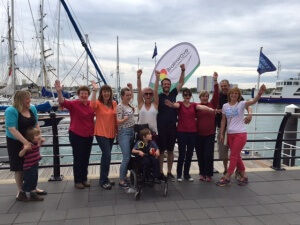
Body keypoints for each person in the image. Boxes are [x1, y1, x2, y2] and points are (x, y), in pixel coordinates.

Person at [217, 84, 267, 186]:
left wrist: (259, 94)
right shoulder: (225, 106)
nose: (234, 95)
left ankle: (227, 177)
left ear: (238, 96)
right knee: (237, 157)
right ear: (229, 95)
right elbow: (223, 121)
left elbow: (253, 101)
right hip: (230, 134)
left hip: (240, 134)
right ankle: (244, 176)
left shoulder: (241, 104)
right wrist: (221, 133)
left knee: (233, 156)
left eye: (236, 94)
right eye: (233, 93)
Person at [165, 88, 217, 182]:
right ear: (183, 96)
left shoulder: (194, 105)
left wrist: (210, 109)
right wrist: (172, 105)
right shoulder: (180, 104)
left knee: (189, 154)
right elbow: (175, 105)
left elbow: (202, 107)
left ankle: (186, 174)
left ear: (191, 96)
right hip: (181, 132)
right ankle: (179, 174)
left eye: (189, 95)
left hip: (193, 133)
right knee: (182, 154)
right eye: (185, 95)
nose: (187, 96)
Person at [5, 90, 47, 201]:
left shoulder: (32, 109)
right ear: (20, 100)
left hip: (30, 140)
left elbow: (36, 124)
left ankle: (33, 188)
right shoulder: (11, 111)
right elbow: (12, 129)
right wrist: (25, 143)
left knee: (32, 165)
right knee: (19, 167)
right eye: (27, 98)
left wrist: (39, 137)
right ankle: (20, 191)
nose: (29, 100)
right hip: (16, 141)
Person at [54, 80, 95, 189]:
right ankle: (78, 180)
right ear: (78, 94)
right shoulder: (74, 104)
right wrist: (59, 92)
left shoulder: (91, 105)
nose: (84, 95)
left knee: (86, 158)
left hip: (89, 135)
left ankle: (84, 178)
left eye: (86, 93)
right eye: (82, 93)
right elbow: (62, 102)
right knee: (78, 158)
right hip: (76, 135)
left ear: (88, 95)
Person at [215, 79, 253, 175]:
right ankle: (226, 169)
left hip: (236, 130)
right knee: (223, 151)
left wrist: (250, 114)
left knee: (235, 152)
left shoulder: (235, 95)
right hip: (222, 128)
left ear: (229, 86)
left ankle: (237, 171)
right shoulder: (218, 97)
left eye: (225, 85)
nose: (223, 87)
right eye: (222, 86)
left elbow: (247, 105)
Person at [157, 64, 185, 182]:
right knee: (161, 151)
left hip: (172, 127)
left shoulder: (173, 93)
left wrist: (183, 70)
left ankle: (169, 172)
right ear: (162, 86)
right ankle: (160, 172)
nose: (167, 85)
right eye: (165, 84)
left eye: (168, 84)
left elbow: (180, 83)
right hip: (161, 127)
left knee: (170, 151)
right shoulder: (158, 96)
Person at [91, 81, 117, 190]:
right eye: (104, 92)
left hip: (111, 133)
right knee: (107, 155)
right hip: (101, 133)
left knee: (106, 156)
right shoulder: (97, 103)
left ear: (111, 93)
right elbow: (91, 106)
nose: (106, 94)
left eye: (108, 92)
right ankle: (103, 181)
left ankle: (104, 177)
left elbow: (116, 118)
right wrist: (94, 90)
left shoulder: (114, 103)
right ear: (101, 93)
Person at [195, 72, 219, 182]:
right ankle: (202, 173)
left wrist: (215, 80)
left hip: (209, 134)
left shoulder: (212, 104)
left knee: (208, 155)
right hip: (198, 135)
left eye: (206, 96)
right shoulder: (197, 106)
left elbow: (217, 94)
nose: (204, 97)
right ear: (200, 97)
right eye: (203, 96)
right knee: (200, 155)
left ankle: (209, 174)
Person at [116, 84, 135, 189]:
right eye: (126, 95)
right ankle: (121, 179)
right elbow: (118, 121)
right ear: (122, 96)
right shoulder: (120, 107)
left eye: (129, 95)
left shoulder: (129, 105)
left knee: (130, 156)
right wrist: (125, 119)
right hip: (124, 132)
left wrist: (131, 88)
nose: (128, 97)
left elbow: (132, 97)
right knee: (126, 157)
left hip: (132, 131)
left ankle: (125, 176)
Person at [19, 127, 45, 201]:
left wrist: (41, 142)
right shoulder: (28, 145)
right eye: (37, 135)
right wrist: (25, 149)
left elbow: (37, 147)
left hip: (35, 164)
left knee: (34, 179)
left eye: (39, 134)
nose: (39, 136)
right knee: (28, 180)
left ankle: (33, 194)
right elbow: (20, 154)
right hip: (29, 166)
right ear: (31, 138)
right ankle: (22, 193)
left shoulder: (36, 143)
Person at [137, 69, 160, 139]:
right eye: (146, 94)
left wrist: (157, 78)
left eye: (150, 94)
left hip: (153, 133)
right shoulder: (141, 104)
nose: (148, 95)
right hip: (141, 133)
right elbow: (139, 88)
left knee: (153, 149)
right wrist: (138, 77)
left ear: (152, 95)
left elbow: (155, 90)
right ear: (143, 95)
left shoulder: (155, 105)